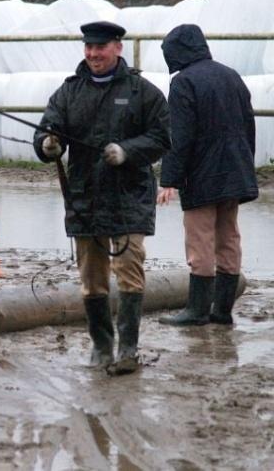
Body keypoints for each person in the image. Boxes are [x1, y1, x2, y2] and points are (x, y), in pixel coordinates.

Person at [33, 21, 170, 374]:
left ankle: (128, 349)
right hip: (84, 197)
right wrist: (48, 144)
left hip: (129, 196)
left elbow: (161, 137)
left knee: (129, 270)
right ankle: (101, 346)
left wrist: (127, 151)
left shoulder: (142, 92)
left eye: (101, 48)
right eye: (89, 48)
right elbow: (48, 128)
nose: (93, 54)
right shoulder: (69, 92)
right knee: (91, 276)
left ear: (117, 48)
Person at [157, 24, 258, 327]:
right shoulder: (232, 75)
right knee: (229, 237)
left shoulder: (184, 82)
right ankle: (222, 310)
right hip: (235, 171)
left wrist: (169, 180)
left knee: (199, 240)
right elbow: (248, 126)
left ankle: (197, 310)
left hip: (202, 175)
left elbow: (180, 137)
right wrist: (245, 165)